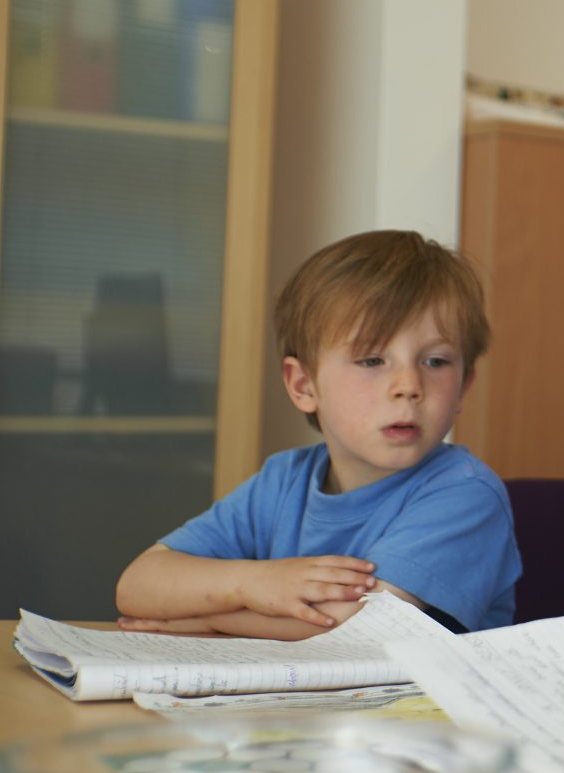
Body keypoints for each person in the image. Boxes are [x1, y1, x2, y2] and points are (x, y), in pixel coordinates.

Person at [116, 230, 521, 637]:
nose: (408, 385)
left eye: (435, 361)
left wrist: (207, 618)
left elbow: (357, 627)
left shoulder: (466, 493)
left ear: (463, 387)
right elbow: (138, 585)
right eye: (372, 359)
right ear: (304, 386)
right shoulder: (282, 481)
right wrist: (254, 582)